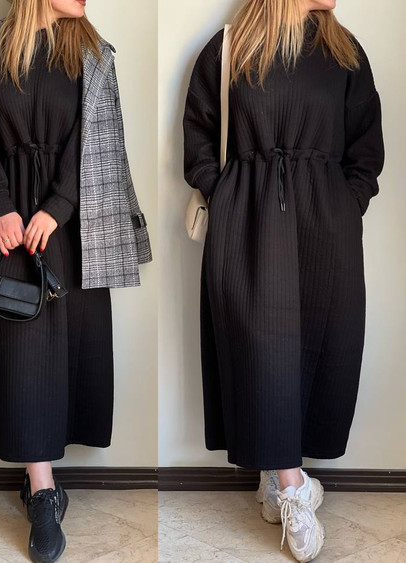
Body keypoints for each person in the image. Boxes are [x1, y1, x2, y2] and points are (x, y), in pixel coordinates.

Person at [0, 0, 151, 561]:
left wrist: (56, 208)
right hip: (5, 228)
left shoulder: (95, 55)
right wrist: (0, 208)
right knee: (20, 357)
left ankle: (43, 479)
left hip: (75, 226)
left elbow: (101, 142)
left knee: (71, 354)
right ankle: (43, 491)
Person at [183, 0, 384, 560]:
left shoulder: (345, 53)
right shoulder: (229, 49)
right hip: (247, 224)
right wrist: (227, 198)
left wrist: (345, 205)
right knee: (259, 350)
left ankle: (275, 477)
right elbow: (198, 139)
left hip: (326, 228)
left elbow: (366, 149)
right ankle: (294, 488)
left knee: (326, 345)